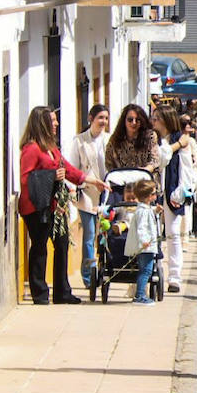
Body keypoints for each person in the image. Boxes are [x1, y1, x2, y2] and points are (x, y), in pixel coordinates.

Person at [18, 106, 107, 305]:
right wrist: (51, 176)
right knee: (40, 248)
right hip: (36, 209)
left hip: (54, 207)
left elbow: (66, 168)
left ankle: (61, 292)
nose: (56, 124)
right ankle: (39, 293)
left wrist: (92, 181)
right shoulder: (31, 149)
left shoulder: (51, 147)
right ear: (42, 123)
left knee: (62, 244)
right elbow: (26, 179)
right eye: (52, 120)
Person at [66, 104, 110, 292]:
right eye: (100, 117)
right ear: (90, 118)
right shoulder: (79, 141)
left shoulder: (109, 140)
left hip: (107, 194)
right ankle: (89, 275)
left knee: (105, 234)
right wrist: (73, 189)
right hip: (87, 194)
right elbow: (73, 168)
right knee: (89, 235)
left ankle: (103, 269)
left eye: (106, 118)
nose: (103, 122)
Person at [151, 105, 192, 293]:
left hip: (171, 191)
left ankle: (174, 276)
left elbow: (185, 169)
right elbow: (160, 158)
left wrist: (181, 192)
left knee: (173, 234)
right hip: (153, 191)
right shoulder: (156, 140)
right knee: (152, 233)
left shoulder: (180, 140)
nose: (154, 122)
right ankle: (154, 269)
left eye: (157, 118)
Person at [127, 179, 161, 304]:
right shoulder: (142, 211)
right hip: (145, 247)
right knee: (146, 271)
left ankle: (140, 294)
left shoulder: (146, 209)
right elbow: (141, 228)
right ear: (148, 197)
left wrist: (156, 211)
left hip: (148, 246)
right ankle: (139, 295)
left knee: (145, 270)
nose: (155, 195)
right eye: (153, 193)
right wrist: (144, 241)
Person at [105, 103, 159, 179]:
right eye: (130, 120)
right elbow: (109, 163)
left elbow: (154, 160)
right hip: (123, 183)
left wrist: (145, 170)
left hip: (145, 182)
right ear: (124, 120)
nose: (134, 123)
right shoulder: (115, 139)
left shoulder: (150, 136)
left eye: (137, 120)